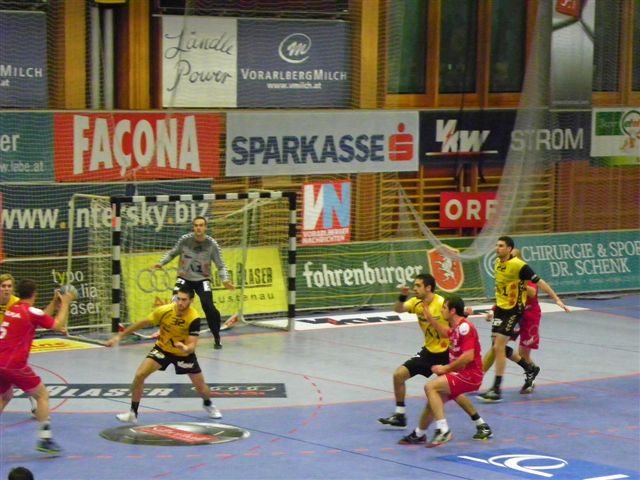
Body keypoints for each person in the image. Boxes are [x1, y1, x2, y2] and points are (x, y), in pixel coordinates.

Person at [106, 286, 222, 423]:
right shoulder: (164, 311)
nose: (180, 303)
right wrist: (119, 337)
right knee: (140, 375)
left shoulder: (193, 318)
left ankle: (208, 403)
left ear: (191, 300)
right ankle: (133, 413)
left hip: (183, 354)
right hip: (163, 349)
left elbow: (192, 346)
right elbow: (142, 323)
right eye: (178, 299)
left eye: (184, 300)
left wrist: (185, 348)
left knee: (201, 387)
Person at [477, 236, 570, 403]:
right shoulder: (498, 264)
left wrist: (556, 299)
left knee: (512, 349)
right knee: (497, 346)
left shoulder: (519, 268)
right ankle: (529, 369)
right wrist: (493, 309)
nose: (497, 248)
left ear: (510, 251)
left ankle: (499, 387)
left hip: (522, 312)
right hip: (504, 310)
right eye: (496, 245)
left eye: (501, 246)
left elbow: (536, 287)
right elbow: (503, 290)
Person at [0, 279, 75, 455]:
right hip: (14, 364)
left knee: (5, 396)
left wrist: (53, 304)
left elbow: (39, 318)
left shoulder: (14, 308)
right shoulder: (31, 312)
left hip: (0, 361)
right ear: (35, 294)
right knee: (42, 395)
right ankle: (45, 439)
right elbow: (57, 325)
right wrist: (65, 303)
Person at [378, 274, 449, 429]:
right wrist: (402, 296)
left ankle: (478, 422)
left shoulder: (442, 303)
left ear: (428, 288)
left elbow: (456, 324)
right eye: (414, 285)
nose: (414, 288)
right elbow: (398, 309)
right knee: (398, 375)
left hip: (447, 353)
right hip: (429, 351)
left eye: (418, 285)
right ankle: (400, 416)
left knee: (455, 393)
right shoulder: (416, 302)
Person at [154, 216, 235, 350]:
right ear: (193, 227)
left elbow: (220, 265)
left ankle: (216, 336)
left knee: (209, 307)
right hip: (184, 278)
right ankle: (170, 335)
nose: (198, 228)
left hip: (202, 279)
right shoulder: (185, 240)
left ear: (205, 227)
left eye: (201, 225)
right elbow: (172, 253)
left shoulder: (212, 244)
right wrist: (161, 263)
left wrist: (225, 280)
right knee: (176, 303)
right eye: (196, 225)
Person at [418, 295, 488, 447]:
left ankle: (443, 430)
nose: (441, 310)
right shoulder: (456, 328)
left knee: (430, 387)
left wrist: (446, 368)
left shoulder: (465, 327)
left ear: (453, 311)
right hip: (461, 374)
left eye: (444, 307)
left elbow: (468, 356)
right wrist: (430, 319)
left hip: (470, 375)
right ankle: (419, 434)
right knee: (433, 401)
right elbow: (445, 332)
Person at [482, 248, 542, 394]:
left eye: (512, 258)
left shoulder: (524, 272)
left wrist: (517, 282)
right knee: (496, 346)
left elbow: (533, 292)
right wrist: (493, 310)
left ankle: (530, 377)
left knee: (523, 352)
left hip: (529, 316)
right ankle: (477, 378)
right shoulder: (506, 272)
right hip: (512, 313)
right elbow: (505, 297)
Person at [0, 274, 38, 417]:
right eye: (3, 286)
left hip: (12, 345)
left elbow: (32, 318)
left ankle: (34, 400)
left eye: (9, 286)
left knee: (16, 373)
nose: (6, 289)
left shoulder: (17, 303)